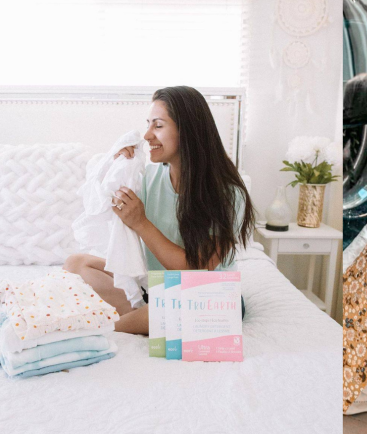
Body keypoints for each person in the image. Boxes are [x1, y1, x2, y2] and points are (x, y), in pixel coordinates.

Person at [63, 86, 255, 334]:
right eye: (148, 125)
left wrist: (141, 223)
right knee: (76, 264)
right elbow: (102, 203)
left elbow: (197, 269)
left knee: (175, 304)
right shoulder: (148, 177)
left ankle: (108, 328)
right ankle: (145, 316)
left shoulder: (228, 194)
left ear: (188, 131)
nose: (147, 135)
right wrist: (120, 166)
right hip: (155, 290)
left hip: (205, 296)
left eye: (158, 126)